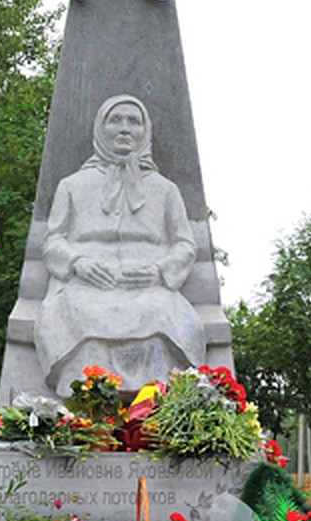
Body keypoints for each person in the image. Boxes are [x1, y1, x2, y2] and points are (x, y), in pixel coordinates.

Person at [34, 94, 205, 395]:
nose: (125, 128)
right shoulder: (72, 185)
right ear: (100, 129)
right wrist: (78, 263)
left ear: (145, 131)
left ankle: (153, 406)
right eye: (116, 120)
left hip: (148, 286)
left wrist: (159, 271)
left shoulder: (165, 190)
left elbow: (184, 244)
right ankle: (87, 403)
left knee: (161, 313)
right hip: (85, 285)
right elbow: (52, 241)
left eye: (134, 121)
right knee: (80, 313)